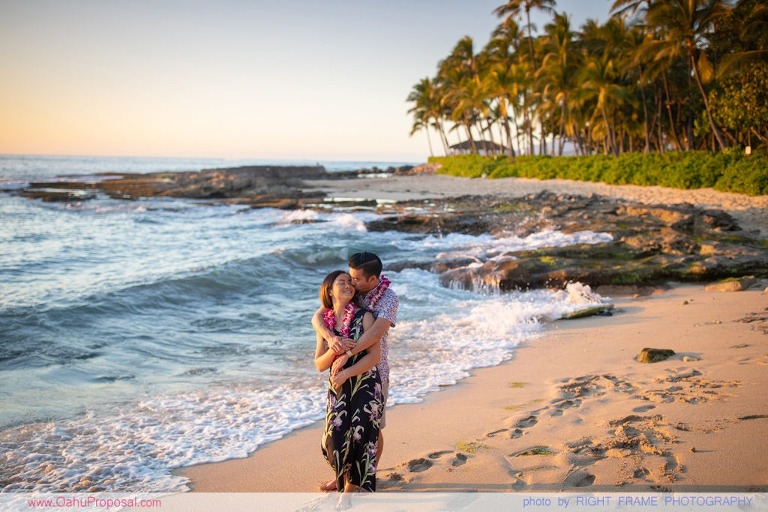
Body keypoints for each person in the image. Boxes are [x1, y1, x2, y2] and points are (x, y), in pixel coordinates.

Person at [312, 251, 399, 492]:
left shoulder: (387, 300)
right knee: (340, 430)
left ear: (372, 280)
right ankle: (343, 475)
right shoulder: (351, 293)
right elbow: (318, 316)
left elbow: (375, 336)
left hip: (374, 371)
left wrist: (346, 352)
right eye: (348, 279)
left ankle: (363, 476)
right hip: (341, 376)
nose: (352, 283)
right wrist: (330, 337)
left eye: (356, 280)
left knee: (372, 427)